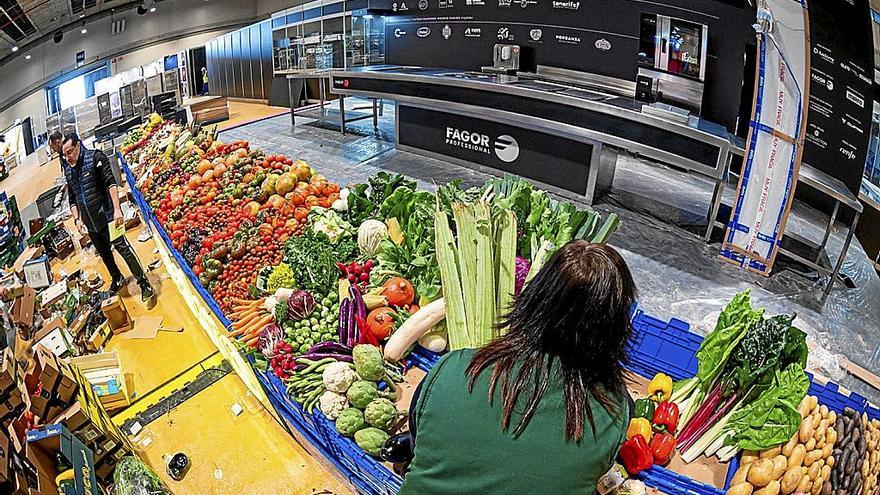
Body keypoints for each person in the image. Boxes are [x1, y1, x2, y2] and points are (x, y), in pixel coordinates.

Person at [399, 241, 637, 495]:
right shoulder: (613, 411)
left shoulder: (452, 369)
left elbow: (419, 440)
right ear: (615, 328)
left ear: (534, 297)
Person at [57, 132, 155, 303]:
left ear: (78, 145)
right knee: (104, 254)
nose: (67, 157)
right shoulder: (68, 170)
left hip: (108, 216)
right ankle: (117, 278)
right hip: (90, 223)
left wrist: (117, 210)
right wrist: (77, 220)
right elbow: (72, 198)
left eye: (70, 152)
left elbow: (111, 183)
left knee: (123, 249)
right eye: (64, 154)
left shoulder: (96, 158)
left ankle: (144, 284)